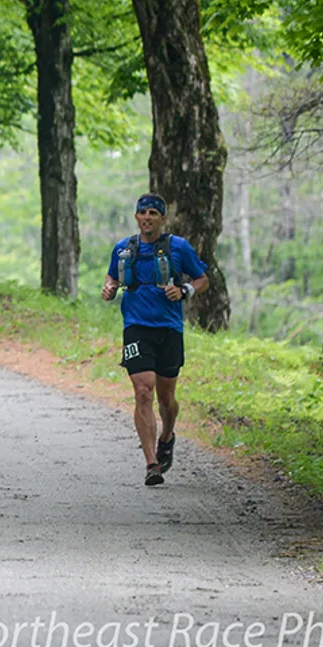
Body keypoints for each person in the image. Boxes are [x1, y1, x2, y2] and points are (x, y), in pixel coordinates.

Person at [100, 193, 209, 486]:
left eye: (152, 213)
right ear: (136, 217)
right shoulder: (123, 249)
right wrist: (109, 287)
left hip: (169, 328)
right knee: (142, 391)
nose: (147, 217)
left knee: (167, 398)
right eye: (142, 212)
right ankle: (151, 463)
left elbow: (202, 279)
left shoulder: (178, 248)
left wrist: (185, 290)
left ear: (162, 218)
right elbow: (112, 277)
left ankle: (167, 435)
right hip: (136, 326)